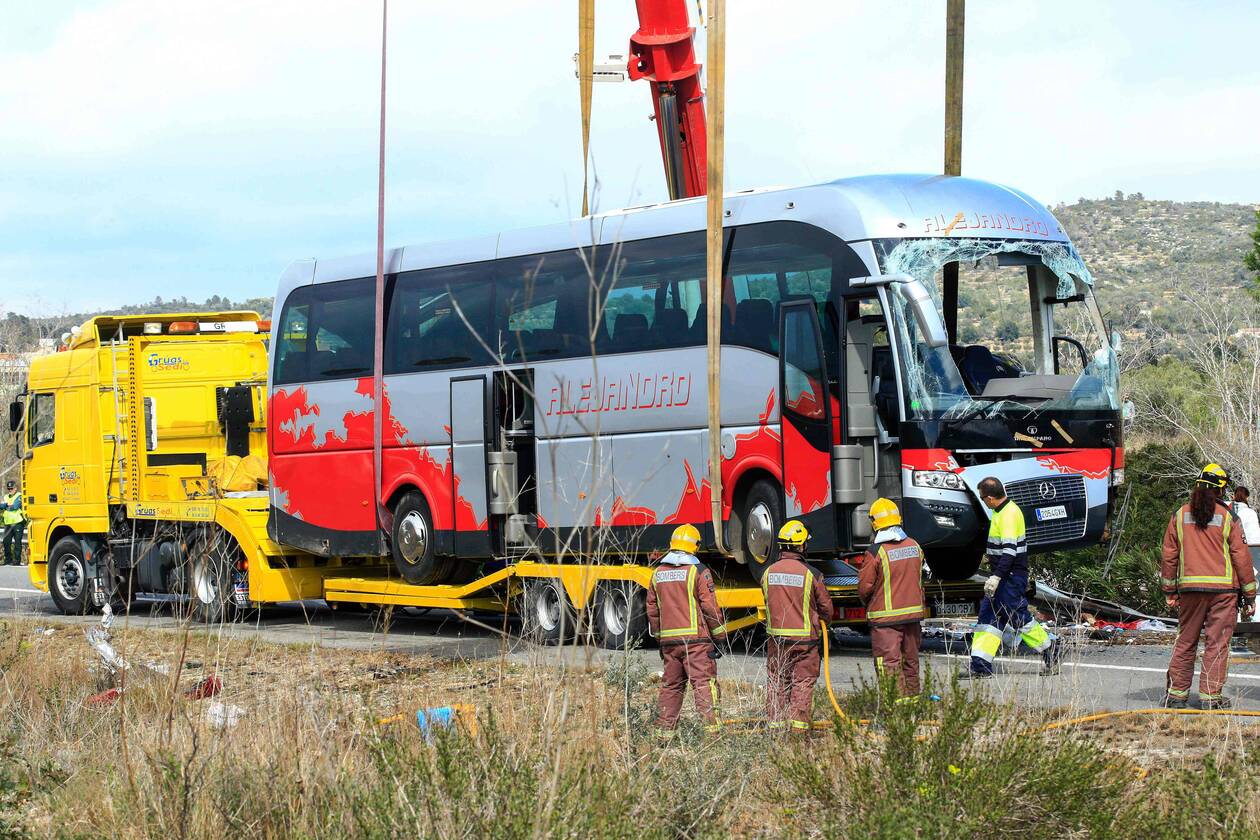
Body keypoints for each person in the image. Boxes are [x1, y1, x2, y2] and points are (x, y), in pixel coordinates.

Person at [1162, 464, 1257, 710]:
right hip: (1223, 593)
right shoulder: (1229, 518)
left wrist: (1170, 592)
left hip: (1190, 592)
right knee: (1217, 643)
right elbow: (1242, 558)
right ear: (1222, 490)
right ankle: (1210, 698)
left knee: (1186, 641)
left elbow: (1169, 556)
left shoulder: (1179, 515)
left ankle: (1176, 696)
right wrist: (1250, 595)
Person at [963, 476, 1062, 678]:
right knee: (988, 621)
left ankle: (1050, 648)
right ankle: (980, 665)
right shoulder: (1003, 511)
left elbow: (1010, 551)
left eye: (983, 498)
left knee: (1018, 618)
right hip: (1004, 576)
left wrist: (997, 577)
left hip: (1009, 577)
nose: (983, 502)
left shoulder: (1008, 514)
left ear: (990, 498)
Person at [646, 523, 725, 735]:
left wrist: (660, 637)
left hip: (669, 644)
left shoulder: (657, 573)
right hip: (696, 643)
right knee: (703, 685)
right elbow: (709, 607)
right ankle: (712, 733)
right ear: (695, 546)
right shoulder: (698, 571)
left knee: (671, 686)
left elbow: (652, 609)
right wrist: (719, 636)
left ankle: (664, 732)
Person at [762, 520, 834, 733]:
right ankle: (798, 731)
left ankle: (776, 728)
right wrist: (823, 622)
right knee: (802, 683)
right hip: (805, 642)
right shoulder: (812, 574)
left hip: (776, 640)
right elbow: (826, 608)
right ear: (801, 546)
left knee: (777, 683)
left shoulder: (768, 573)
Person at [857, 498, 927, 695]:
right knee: (911, 663)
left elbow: (864, 587)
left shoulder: (875, 552)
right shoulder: (914, 545)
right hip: (913, 616)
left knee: (889, 665)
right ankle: (911, 708)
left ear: (874, 523)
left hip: (885, 620)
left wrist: (867, 603)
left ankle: (894, 711)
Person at [1230, 485, 1260, 578]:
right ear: (1246, 497)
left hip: (1242, 547)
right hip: (1256, 547)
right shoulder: (1251, 512)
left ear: (1234, 496)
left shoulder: (1234, 513)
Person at [1, 481, 24, 567]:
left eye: (11, 488)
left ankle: (17, 561)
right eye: (9, 489)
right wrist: (6, 505)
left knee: (17, 543)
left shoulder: (19, 496)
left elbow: (15, 506)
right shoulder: (6, 496)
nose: (10, 490)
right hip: (8, 523)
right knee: (6, 542)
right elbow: (0, 506)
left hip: (17, 522)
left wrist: (5, 505)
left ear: (15, 488)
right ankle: (8, 560)